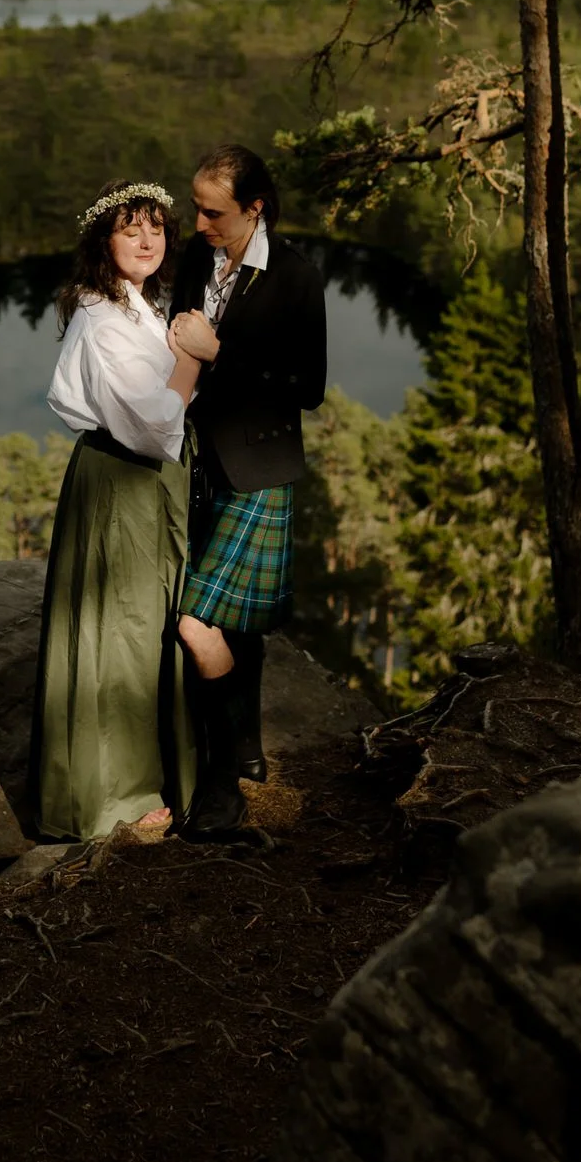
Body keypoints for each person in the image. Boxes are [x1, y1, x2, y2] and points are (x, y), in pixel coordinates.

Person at [28, 179, 204, 842]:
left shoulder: (141, 307)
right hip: (125, 478)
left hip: (147, 481)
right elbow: (152, 424)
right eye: (129, 228)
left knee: (151, 623)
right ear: (102, 242)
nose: (145, 239)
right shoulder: (102, 320)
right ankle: (113, 799)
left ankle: (157, 775)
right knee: (124, 633)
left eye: (155, 227)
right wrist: (192, 359)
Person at [169, 145, 327, 836]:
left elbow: (308, 389)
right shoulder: (193, 258)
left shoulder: (294, 276)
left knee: (195, 622)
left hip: (258, 470)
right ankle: (249, 753)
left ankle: (219, 788)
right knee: (236, 630)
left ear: (253, 207)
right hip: (194, 464)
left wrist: (220, 356)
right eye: (196, 206)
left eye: (213, 211)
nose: (198, 221)